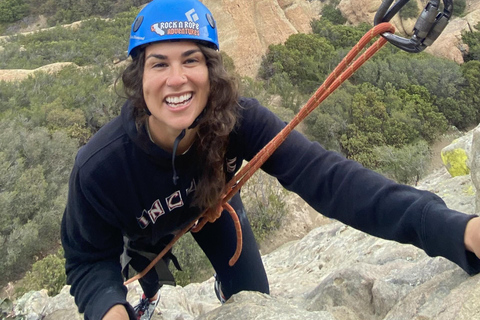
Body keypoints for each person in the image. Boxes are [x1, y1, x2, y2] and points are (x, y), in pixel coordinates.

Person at [61, 0, 480, 319]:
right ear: (139, 78)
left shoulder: (235, 119)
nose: (177, 78)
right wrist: (110, 308)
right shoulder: (100, 167)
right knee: (144, 275)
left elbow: (328, 179)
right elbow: (88, 259)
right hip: (144, 230)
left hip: (212, 205)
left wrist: (454, 229)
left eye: (191, 60)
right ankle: (149, 294)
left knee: (253, 299)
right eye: (159, 64)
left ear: (210, 71)